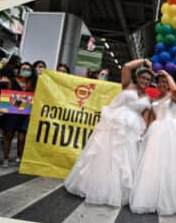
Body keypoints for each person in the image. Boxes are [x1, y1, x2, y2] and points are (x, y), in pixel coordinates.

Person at [64, 58, 154, 207]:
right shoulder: (128, 85)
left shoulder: (148, 99)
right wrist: (144, 61)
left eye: (149, 80)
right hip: (115, 124)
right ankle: (95, 187)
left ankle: (117, 191)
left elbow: (145, 117)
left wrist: (143, 134)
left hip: (133, 129)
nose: (145, 81)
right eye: (143, 77)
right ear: (137, 77)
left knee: (124, 160)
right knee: (106, 155)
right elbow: (125, 66)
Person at [129, 71, 176, 215]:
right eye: (160, 82)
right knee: (153, 165)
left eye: (165, 82)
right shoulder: (153, 100)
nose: (162, 84)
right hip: (156, 132)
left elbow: (175, 90)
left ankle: (171, 200)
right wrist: (144, 133)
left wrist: (167, 75)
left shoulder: (173, 96)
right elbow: (151, 119)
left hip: (172, 132)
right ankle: (152, 198)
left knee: (170, 166)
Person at [0, 62, 35, 167]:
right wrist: (2, 110)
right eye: (23, 69)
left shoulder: (32, 84)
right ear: (19, 70)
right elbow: (7, 96)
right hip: (11, 114)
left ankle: (19, 156)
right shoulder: (12, 82)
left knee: (22, 138)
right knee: (8, 136)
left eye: (28, 69)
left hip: (25, 115)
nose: (25, 71)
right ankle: (6, 158)